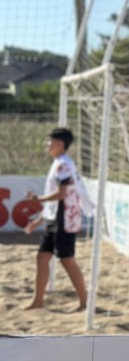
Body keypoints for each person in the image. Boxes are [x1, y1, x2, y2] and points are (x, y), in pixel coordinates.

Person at [22, 127, 89, 312]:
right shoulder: (58, 163)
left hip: (65, 220)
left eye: (49, 141)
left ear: (60, 144)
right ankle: (38, 301)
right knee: (42, 257)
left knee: (67, 260)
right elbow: (56, 200)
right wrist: (38, 220)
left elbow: (60, 195)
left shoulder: (64, 164)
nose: (46, 144)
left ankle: (85, 302)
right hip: (55, 219)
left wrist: (37, 199)